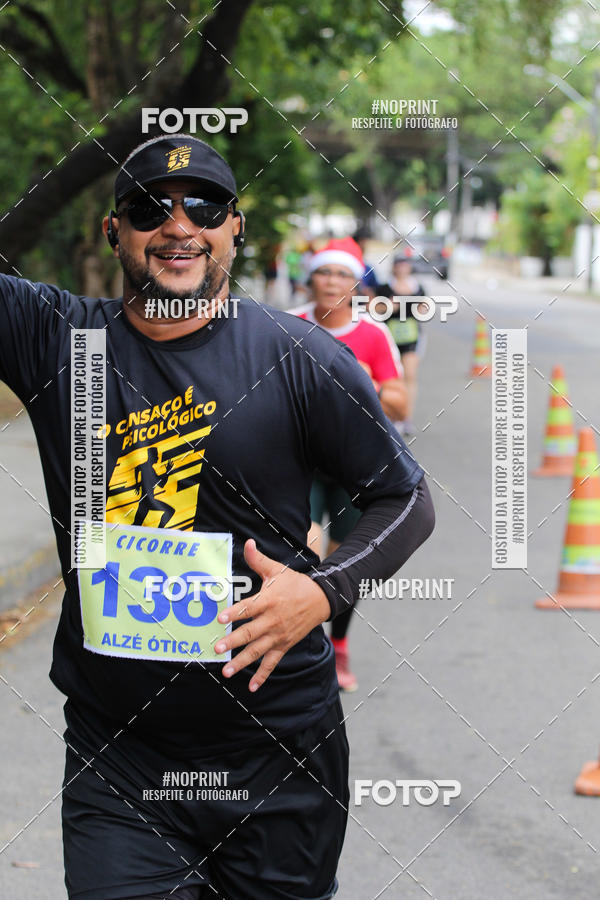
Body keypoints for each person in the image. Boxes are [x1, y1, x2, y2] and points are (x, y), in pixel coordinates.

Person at [0, 134, 434, 900]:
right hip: (121, 760)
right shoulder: (57, 341)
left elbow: (407, 500)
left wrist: (322, 591)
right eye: (146, 208)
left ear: (236, 228)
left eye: (203, 206)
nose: (177, 226)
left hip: (279, 750)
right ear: (112, 232)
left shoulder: (299, 356)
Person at [292, 237, 407, 692]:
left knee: (342, 564)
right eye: (325, 272)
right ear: (311, 278)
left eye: (343, 274)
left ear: (357, 284)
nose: (332, 282)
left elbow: (400, 403)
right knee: (300, 552)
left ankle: (337, 646)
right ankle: (304, 649)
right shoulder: (285, 325)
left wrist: (360, 385)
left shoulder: (372, 335)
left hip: (351, 469)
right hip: (296, 463)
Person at [383, 250, 428, 437]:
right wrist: (387, 306)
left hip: (411, 336)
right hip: (389, 336)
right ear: (393, 267)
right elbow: (374, 309)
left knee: (410, 375)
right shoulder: (384, 287)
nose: (402, 268)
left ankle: (406, 418)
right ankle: (392, 416)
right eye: (398, 264)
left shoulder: (418, 288)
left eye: (405, 264)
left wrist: (420, 308)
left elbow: (425, 309)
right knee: (393, 377)